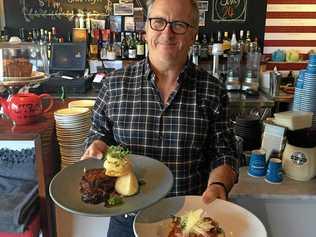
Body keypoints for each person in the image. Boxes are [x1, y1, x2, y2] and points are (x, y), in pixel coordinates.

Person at [81, 0, 239, 236]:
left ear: (193, 33)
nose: (167, 32)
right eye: (159, 22)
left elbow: (224, 152)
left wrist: (218, 185)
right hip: (126, 217)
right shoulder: (113, 85)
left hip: (186, 220)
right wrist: (97, 144)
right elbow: (98, 134)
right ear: (146, 30)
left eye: (179, 24)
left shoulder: (213, 91)